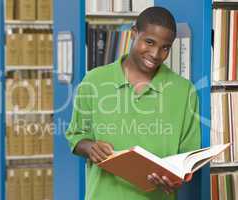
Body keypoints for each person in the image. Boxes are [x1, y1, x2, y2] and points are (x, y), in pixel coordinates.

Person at [65, 6, 201, 200]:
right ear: (133, 33)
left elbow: (188, 157)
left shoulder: (184, 91)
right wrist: (89, 147)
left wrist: (176, 178)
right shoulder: (94, 80)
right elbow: (76, 135)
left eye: (165, 48)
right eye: (149, 42)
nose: (155, 54)